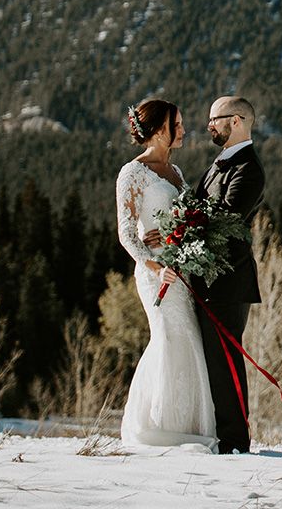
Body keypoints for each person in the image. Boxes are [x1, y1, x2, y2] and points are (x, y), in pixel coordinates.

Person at [115, 98, 216, 449]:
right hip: (155, 274)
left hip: (181, 271)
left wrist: (183, 235)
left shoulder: (177, 173)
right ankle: (156, 425)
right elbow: (126, 233)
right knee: (167, 338)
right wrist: (155, 265)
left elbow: (184, 218)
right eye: (178, 124)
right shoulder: (132, 173)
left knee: (189, 340)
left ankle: (190, 427)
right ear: (159, 130)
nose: (184, 130)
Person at [192, 95, 266, 455]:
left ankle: (235, 442)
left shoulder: (248, 169)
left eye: (215, 119)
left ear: (236, 121)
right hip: (205, 281)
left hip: (229, 282)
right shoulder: (219, 164)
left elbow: (226, 218)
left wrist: (184, 228)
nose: (209, 126)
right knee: (209, 362)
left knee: (226, 365)